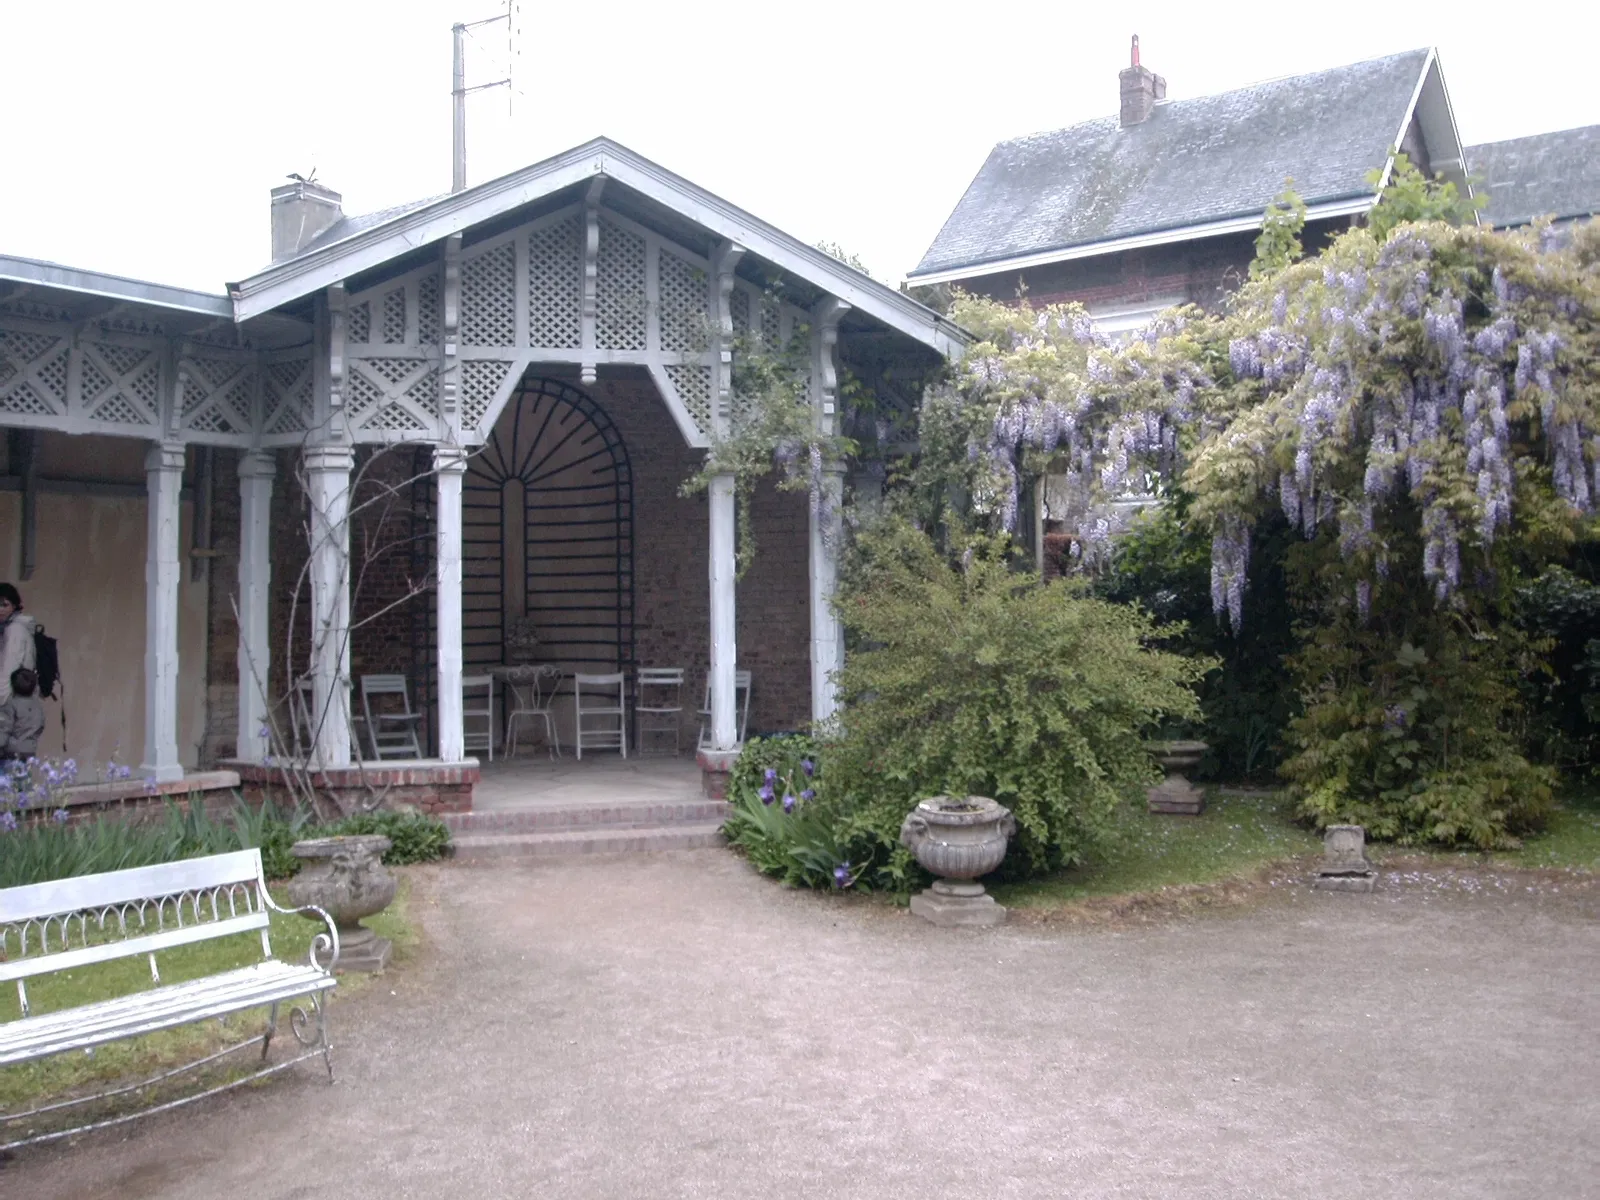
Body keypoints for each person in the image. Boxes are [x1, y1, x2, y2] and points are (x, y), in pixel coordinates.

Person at [0, 583, 36, 706]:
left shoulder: (14, 630)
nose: (0, 609)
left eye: (5, 605)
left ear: (14, 606)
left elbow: (8, 670)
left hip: (10, 702)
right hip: (18, 701)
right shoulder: (9, 628)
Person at [0, 667, 45, 764]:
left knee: (7, 777)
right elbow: (41, 726)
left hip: (9, 753)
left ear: (12, 685)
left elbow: (3, 730)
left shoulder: (11, 705)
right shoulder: (37, 706)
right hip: (29, 752)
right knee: (22, 777)